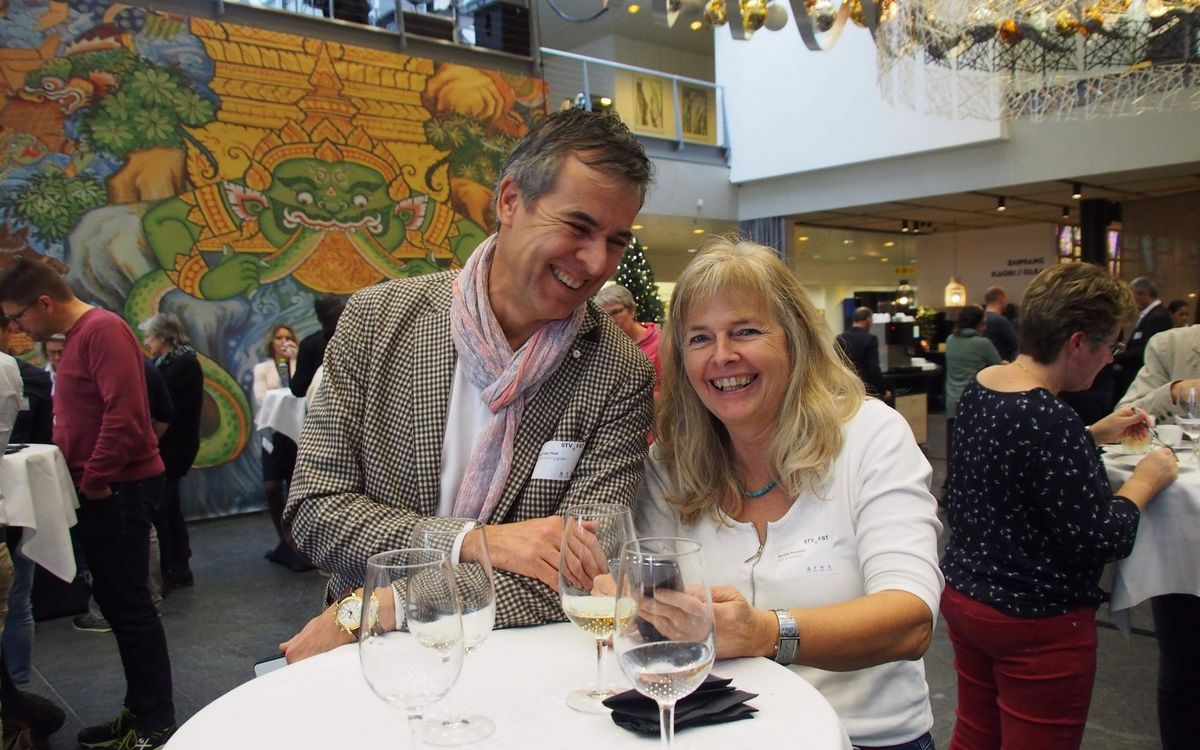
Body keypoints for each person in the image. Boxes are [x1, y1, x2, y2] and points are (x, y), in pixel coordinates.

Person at [280, 108, 656, 662]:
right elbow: (316, 511)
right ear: (510, 201)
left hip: (505, 657)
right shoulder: (378, 322)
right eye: (577, 228)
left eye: (616, 241)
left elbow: (585, 573)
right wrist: (478, 541)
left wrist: (391, 602)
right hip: (373, 660)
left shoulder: (617, 370)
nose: (597, 262)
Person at [636, 239, 943, 750]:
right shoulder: (671, 463)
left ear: (795, 338)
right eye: (699, 338)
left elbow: (909, 621)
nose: (722, 356)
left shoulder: (869, 436)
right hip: (720, 737)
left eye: (746, 331)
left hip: (866, 738)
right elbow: (645, 598)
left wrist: (762, 632)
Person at [940, 262, 1178, 750]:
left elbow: (1015, 462)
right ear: (1077, 342)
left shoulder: (984, 386)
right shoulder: (1051, 418)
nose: (1111, 359)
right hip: (1035, 620)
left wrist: (1090, 435)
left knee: (977, 733)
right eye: (1110, 345)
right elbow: (1101, 537)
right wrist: (1145, 481)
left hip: (967, 598)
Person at [0, 257, 175, 750]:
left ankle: (155, 722)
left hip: (119, 489)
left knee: (132, 609)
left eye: (18, 317)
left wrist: (96, 480)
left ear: (44, 302)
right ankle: (137, 710)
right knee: (117, 606)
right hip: (103, 489)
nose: (18, 328)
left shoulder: (102, 330)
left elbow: (126, 415)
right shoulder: (80, 335)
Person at [1113, 322, 1200, 750]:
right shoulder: (1175, 345)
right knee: (1185, 665)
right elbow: (1127, 417)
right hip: (1185, 536)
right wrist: (1175, 392)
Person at [139, 313, 204, 589]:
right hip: (174, 444)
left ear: (164, 337)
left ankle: (172, 565)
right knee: (170, 506)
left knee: (164, 508)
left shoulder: (182, 364)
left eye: (149, 337)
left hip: (176, 446)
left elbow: (165, 404)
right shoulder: (171, 362)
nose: (147, 342)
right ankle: (178, 563)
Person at [252, 324, 308, 571]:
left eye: (288, 337)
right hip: (274, 433)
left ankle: (301, 541)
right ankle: (282, 539)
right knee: (272, 487)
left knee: (295, 485)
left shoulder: (299, 364)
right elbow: (261, 397)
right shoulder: (262, 369)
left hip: (295, 433)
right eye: (279, 338)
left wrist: (295, 360)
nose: (284, 341)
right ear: (271, 342)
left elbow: (302, 392)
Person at [943, 305, 1001, 460]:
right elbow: (998, 365)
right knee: (972, 451)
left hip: (952, 401)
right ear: (980, 323)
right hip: (974, 402)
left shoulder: (950, 340)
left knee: (953, 448)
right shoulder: (983, 343)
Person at [593, 284, 662, 395]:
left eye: (615, 312)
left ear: (632, 310)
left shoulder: (660, 343)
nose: (611, 321)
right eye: (605, 316)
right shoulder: (605, 346)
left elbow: (670, 390)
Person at [1114, 276, 1173, 400]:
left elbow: (1147, 349)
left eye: (1133, 295)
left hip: (1143, 374)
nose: (1132, 300)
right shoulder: (1151, 314)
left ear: (1145, 294)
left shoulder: (1158, 316)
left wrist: (1117, 357)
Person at [290, 294, 345, 399]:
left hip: (321, 404)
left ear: (318, 318)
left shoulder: (308, 344)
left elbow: (298, 389)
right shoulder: (360, 339)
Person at [835, 305, 887, 399]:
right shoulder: (870, 338)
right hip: (865, 389)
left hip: (845, 388)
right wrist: (883, 390)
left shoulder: (840, 338)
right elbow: (874, 368)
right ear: (868, 319)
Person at [982, 286, 1018, 361]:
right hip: (1000, 362)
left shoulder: (979, 319)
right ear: (1001, 300)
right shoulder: (1001, 321)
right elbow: (1016, 343)